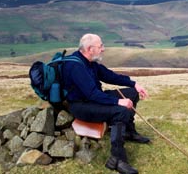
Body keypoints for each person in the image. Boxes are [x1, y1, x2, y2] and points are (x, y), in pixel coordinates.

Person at [62, 33, 150, 174]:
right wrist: (118, 101)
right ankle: (117, 160)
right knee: (121, 111)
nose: (103, 49)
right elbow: (91, 94)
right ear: (90, 49)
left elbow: (109, 76)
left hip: (94, 99)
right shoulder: (75, 66)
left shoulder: (90, 62)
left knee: (132, 93)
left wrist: (134, 84)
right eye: (100, 46)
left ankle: (128, 131)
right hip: (82, 106)